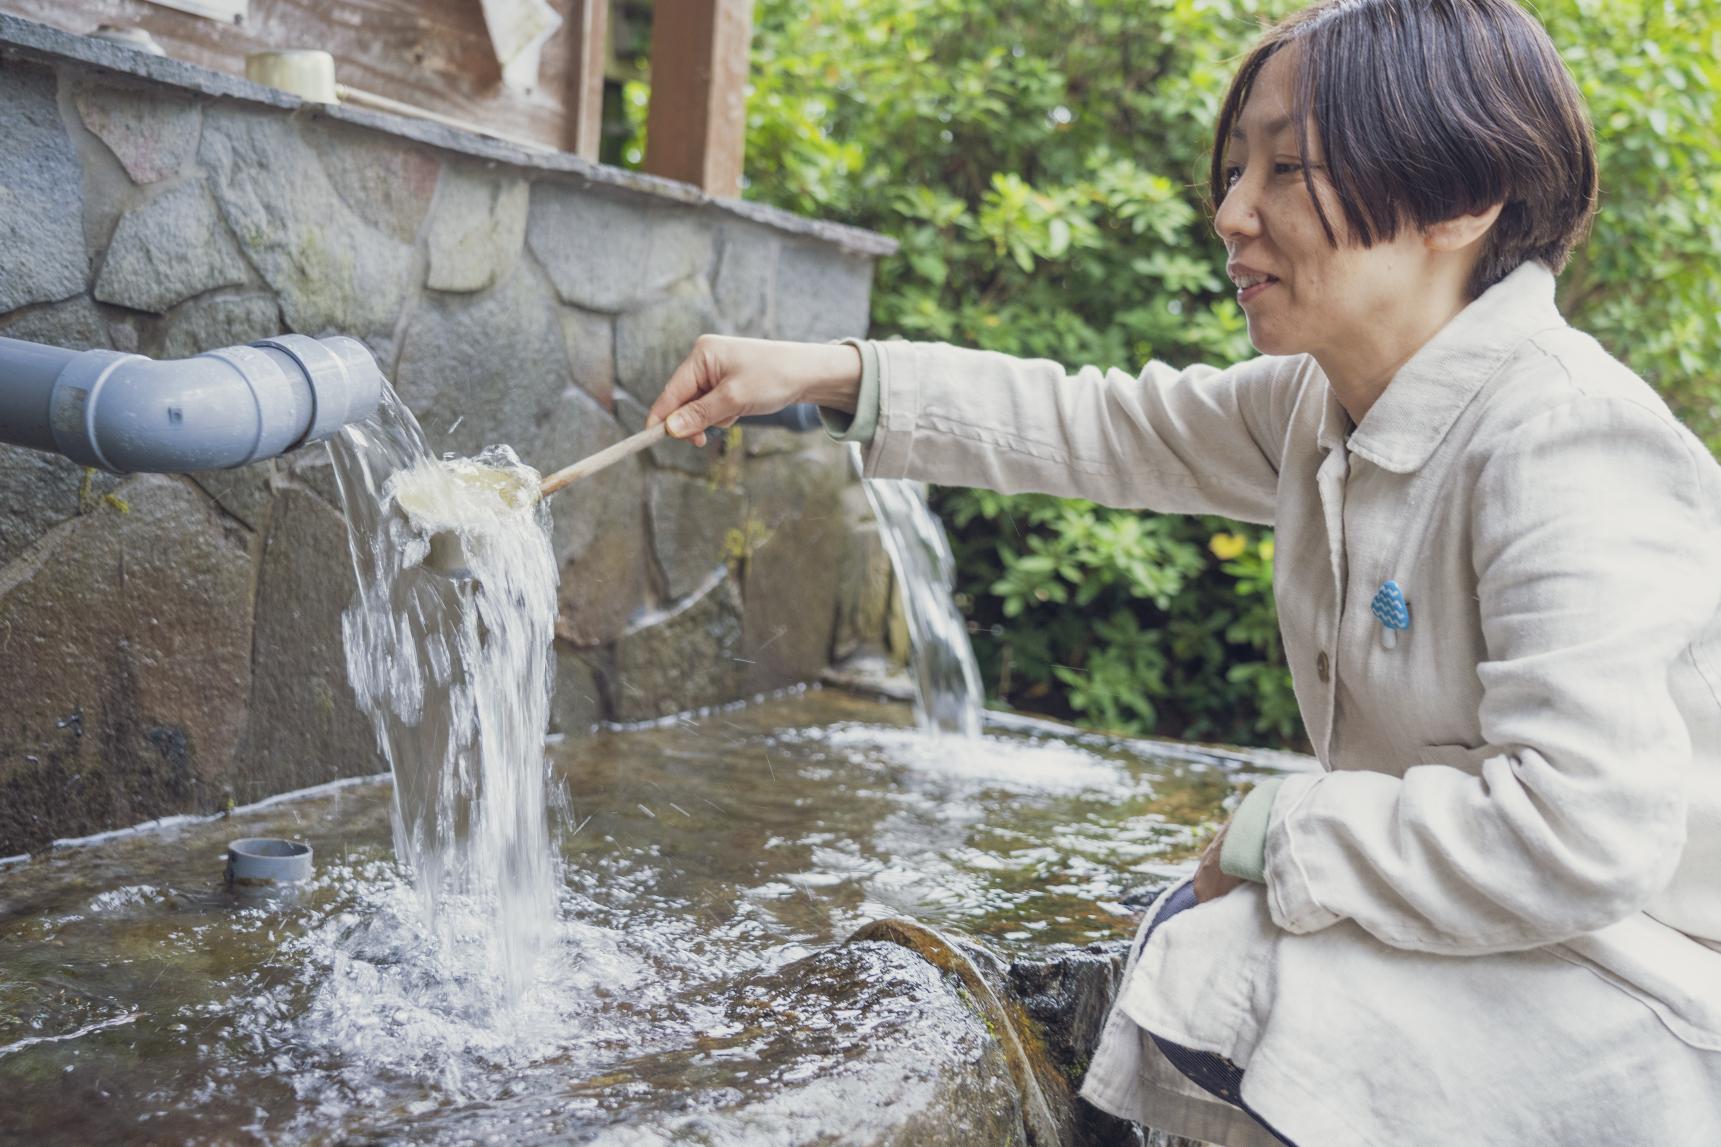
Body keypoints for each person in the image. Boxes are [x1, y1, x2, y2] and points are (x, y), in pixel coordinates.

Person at [646, 0, 1721, 1142]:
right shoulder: (1325, 401)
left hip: (1640, 981)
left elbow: (1582, 830)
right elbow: (1098, 426)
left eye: (1285, 168)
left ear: (1461, 196)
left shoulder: (1562, 438)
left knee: (1226, 965)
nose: (1230, 212)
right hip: (1514, 934)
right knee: (1185, 945)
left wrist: (1283, 827)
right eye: (1232, 167)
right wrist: (829, 371)